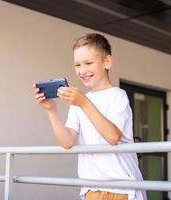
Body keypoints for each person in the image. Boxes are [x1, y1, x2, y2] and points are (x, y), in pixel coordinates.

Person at [33, 33, 146, 200]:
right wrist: (51, 110)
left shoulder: (117, 96)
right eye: (77, 65)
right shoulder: (79, 100)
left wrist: (84, 103)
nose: (82, 70)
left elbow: (113, 137)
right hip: (91, 188)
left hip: (122, 188)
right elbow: (67, 141)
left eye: (88, 63)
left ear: (107, 62)